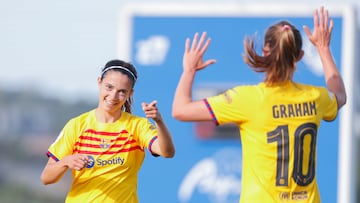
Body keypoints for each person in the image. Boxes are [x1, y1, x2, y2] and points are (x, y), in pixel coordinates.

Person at [172, 6, 346, 203]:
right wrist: (323, 49)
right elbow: (339, 94)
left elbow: (180, 110)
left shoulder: (247, 98)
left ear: (265, 51)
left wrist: (189, 71)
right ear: (299, 57)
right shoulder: (315, 97)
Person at [41, 59, 175, 203]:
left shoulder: (137, 126)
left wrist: (159, 121)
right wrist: (66, 161)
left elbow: (167, 152)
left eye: (122, 92)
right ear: (99, 82)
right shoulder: (76, 125)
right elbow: (46, 177)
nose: (113, 96)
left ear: (130, 93)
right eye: (109, 87)